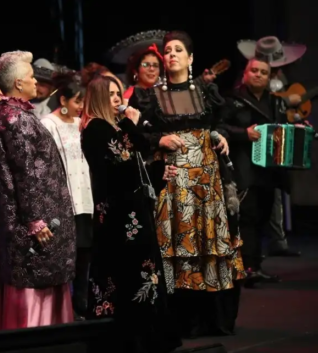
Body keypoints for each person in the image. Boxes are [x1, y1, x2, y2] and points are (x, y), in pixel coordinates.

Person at [130, 30, 245, 338]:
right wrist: (160, 139)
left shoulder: (206, 91)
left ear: (191, 58)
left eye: (178, 50)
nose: (172, 55)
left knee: (209, 243)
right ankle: (180, 320)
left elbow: (223, 121)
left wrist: (220, 134)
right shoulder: (148, 95)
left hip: (208, 179)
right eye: (168, 51)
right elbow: (135, 134)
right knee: (177, 244)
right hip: (173, 180)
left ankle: (213, 318)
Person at [81, 75, 181, 352]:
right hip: (117, 218)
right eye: (111, 94)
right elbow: (121, 158)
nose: (118, 99)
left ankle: (146, 337)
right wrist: (130, 123)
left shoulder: (112, 128)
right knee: (124, 274)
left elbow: (131, 170)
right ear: (99, 98)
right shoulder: (96, 129)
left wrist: (158, 174)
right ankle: (126, 339)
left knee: (141, 273)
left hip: (131, 213)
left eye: (118, 93)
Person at [0, 51, 76, 331]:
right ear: (19, 84)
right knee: (33, 276)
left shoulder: (14, 113)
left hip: (37, 213)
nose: (37, 81)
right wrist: (35, 220)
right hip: (33, 221)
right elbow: (25, 173)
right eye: (32, 77)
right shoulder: (15, 119)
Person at [221, 56, 303, 287]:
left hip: (269, 170)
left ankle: (254, 267)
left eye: (263, 72)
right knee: (245, 219)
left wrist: (293, 130)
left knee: (262, 219)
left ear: (269, 78)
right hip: (243, 168)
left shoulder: (275, 102)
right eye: (254, 70)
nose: (258, 75)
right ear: (245, 74)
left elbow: (281, 128)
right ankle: (243, 268)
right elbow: (219, 128)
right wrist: (243, 133)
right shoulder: (232, 100)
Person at [237, 36, 304, 258]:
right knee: (249, 208)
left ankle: (273, 243)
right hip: (248, 153)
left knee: (273, 198)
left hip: (273, 151)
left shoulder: (279, 80)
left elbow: (283, 112)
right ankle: (251, 253)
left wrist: (294, 120)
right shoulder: (242, 90)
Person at [41, 73, 91, 320]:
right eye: (77, 102)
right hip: (62, 200)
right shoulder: (48, 124)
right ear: (63, 99)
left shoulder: (83, 123)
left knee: (84, 255)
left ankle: (81, 305)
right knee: (64, 256)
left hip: (86, 198)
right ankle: (60, 311)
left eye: (83, 103)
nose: (81, 107)